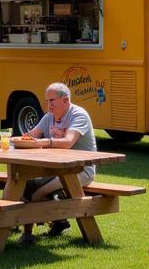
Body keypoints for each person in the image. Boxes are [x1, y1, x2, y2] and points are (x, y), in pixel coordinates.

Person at [18, 81, 97, 239]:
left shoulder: (78, 115)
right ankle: (57, 220)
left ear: (65, 100)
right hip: (56, 169)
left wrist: (44, 142)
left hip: (80, 171)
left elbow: (68, 142)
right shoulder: (49, 117)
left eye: (52, 100)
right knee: (23, 182)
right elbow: (29, 137)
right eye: (47, 101)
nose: (48, 105)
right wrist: (0, 142)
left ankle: (25, 232)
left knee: (32, 189)